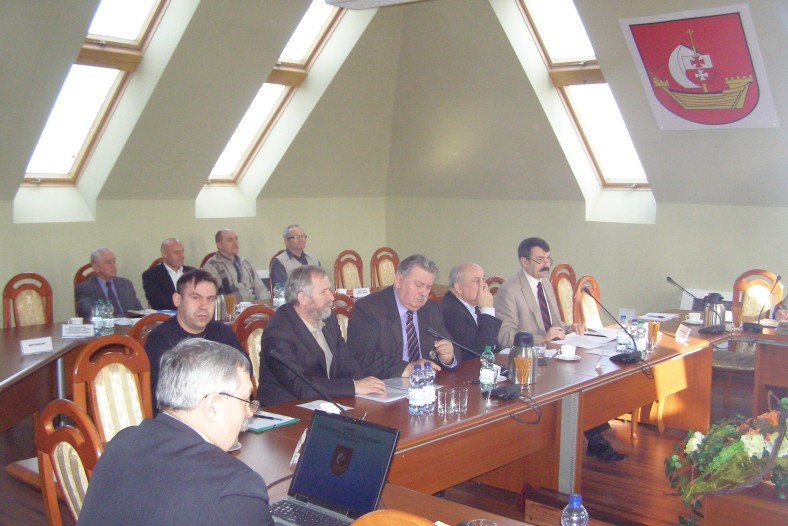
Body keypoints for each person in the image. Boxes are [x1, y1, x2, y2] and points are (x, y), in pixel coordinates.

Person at [78, 338, 273, 526]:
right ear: (213, 406)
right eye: (246, 400)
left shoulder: (122, 441)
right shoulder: (235, 488)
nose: (249, 412)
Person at [495, 237, 626, 461]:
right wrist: (542, 338)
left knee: (588, 375)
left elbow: (554, 324)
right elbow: (504, 337)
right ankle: (591, 441)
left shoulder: (545, 284)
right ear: (524, 262)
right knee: (575, 383)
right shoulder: (510, 290)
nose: (546, 265)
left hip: (554, 354)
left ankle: (593, 435)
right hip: (530, 362)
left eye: (548, 259)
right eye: (540, 260)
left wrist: (569, 327)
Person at [258, 265, 385, 405]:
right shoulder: (278, 333)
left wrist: (365, 385)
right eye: (323, 292)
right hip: (286, 409)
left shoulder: (327, 318)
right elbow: (301, 385)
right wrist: (354, 387)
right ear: (303, 298)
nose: (331, 297)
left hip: (326, 402)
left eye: (329, 290)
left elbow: (346, 361)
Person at [145, 270, 245, 410]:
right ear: (177, 299)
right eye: (196, 298)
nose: (204, 306)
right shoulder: (160, 339)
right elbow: (166, 396)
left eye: (210, 299)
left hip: (222, 410)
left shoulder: (222, 333)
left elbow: (244, 372)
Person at [347, 254, 458, 378]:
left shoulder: (430, 309)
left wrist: (448, 357)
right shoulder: (369, 308)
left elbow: (453, 347)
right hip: (386, 384)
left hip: (426, 383)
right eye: (419, 285)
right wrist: (408, 368)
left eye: (428, 287)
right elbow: (362, 358)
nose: (424, 293)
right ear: (399, 280)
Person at [440, 262, 502, 360]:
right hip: (468, 367)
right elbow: (483, 351)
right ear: (459, 288)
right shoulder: (450, 312)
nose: (484, 285)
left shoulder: (472, 303)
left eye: (483, 279)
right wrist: (487, 309)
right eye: (477, 281)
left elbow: (495, 345)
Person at [75, 247, 143, 319]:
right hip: (105, 325)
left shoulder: (126, 284)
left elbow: (138, 311)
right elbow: (87, 311)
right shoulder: (85, 288)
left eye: (114, 261)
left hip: (129, 325)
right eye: (108, 263)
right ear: (96, 267)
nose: (113, 266)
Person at [204, 229, 270, 302]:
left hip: (254, 306)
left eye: (236, 239)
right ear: (219, 245)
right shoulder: (212, 266)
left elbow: (261, 289)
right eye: (230, 240)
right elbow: (213, 296)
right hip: (231, 307)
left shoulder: (245, 263)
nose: (235, 243)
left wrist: (264, 305)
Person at [141, 238, 195, 310]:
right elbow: (157, 302)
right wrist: (185, 304)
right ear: (164, 254)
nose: (181, 255)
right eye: (176, 252)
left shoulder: (193, 272)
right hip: (168, 315)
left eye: (182, 251)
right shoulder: (151, 275)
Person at [269, 224, 320, 289]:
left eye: (303, 236)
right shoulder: (279, 262)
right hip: (293, 295)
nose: (301, 239)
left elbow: (322, 281)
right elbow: (281, 289)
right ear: (286, 241)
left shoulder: (313, 258)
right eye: (296, 237)